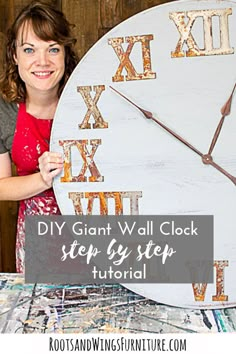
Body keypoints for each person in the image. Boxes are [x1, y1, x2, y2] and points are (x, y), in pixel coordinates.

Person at [0, 1, 79, 273]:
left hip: (95, 237)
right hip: (38, 242)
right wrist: (43, 179)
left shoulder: (89, 107)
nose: (42, 62)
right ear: (14, 55)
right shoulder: (5, 114)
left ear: (66, 54)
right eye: (29, 49)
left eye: (53, 49)